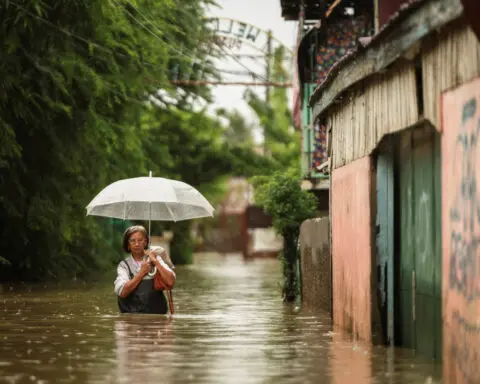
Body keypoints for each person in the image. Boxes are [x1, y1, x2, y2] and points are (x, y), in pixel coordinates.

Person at [114, 225, 176, 314]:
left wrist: (155, 262)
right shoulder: (124, 266)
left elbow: (171, 282)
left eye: (140, 240)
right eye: (132, 241)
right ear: (128, 245)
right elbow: (122, 292)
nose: (137, 244)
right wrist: (142, 272)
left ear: (145, 242)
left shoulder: (155, 259)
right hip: (132, 321)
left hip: (156, 319)